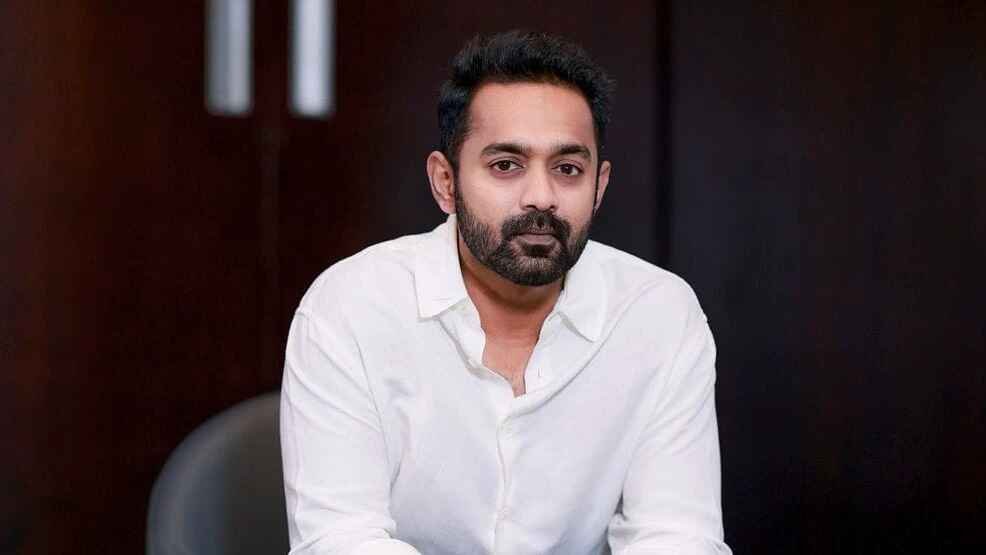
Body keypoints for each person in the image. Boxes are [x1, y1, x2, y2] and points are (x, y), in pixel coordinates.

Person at [280, 30, 731, 555]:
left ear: (599, 187)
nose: (541, 197)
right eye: (505, 166)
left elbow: (677, 538)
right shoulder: (350, 308)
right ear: (445, 182)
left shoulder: (659, 316)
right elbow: (340, 542)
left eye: (568, 169)